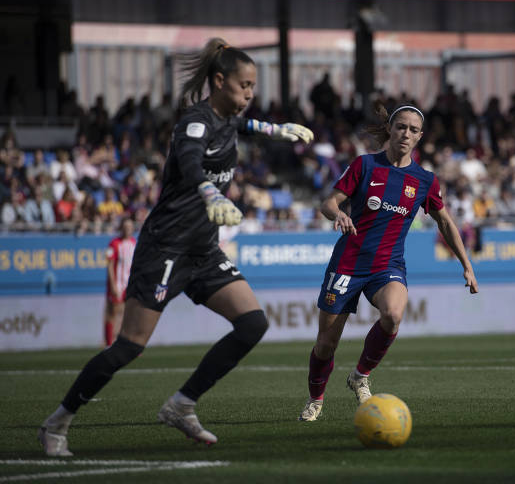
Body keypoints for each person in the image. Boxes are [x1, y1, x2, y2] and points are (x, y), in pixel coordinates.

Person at [38, 38, 313, 457]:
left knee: (253, 323)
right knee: (129, 345)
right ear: (219, 81)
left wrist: (277, 130)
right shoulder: (195, 121)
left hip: (203, 251)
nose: (250, 95)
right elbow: (188, 159)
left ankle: (181, 405)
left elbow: (243, 125)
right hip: (164, 248)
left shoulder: (227, 119)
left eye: (253, 87)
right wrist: (211, 194)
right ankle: (57, 422)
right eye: (244, 86)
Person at [298, 104, 479, 422]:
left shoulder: (424, 180)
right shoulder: (365, 165)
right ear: (391, 130)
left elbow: (446, 222)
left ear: (420, 137)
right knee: (326, 344)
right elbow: (329, 201)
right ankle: (316, 399)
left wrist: (466, 264)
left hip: (387, 266)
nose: (406, 133)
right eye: (401, 127)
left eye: (413, 129)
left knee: (393, 315)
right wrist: (338, 213)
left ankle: (359, 376)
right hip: (347, 264)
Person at [104, 217, 137, 346]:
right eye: (125, 226)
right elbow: (110, 265)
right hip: (117, 284)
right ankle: (109, 343)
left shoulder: (134, 243)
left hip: (129, 285)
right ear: (121, 228)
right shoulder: (114, 243)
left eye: (130, 227)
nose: (127, 229)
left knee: (131, 314)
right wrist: (112, 285)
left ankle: (129, 343)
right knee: (113, 313)